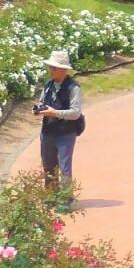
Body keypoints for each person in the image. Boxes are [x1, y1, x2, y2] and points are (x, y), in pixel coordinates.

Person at [36, 50, 84, 204]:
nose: (51, 70)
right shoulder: (48, 85)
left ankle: (65, 199)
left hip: (65, 133)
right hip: (48, 132)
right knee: (48, 165)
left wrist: (55, 113)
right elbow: (42, 101)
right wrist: (39, 109)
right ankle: (50, 196)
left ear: (63, 69)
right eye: (50, 67)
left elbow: (76, 113)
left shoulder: (73, 88)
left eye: (54, 68)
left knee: (64, 167)